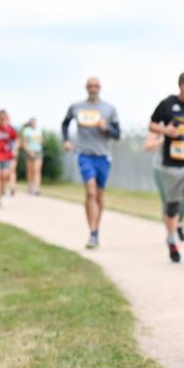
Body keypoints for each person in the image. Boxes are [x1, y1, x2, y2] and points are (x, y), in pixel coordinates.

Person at [149, 72, 184, 264]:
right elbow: (152, 125)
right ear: (179, 87)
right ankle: (172, 239)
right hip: (171, 164)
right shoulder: (167, 104)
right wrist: (166, 131)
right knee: (173, 205)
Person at [62, 76, 121, 249]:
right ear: (86, 87)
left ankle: (96, 228)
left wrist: (106, 128)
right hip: (84, 154)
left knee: (99, 195)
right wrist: (66, 140)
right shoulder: (76, 107)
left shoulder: (109, 109)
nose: (93, 89)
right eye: (90, 86)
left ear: (100, 88)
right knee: (90, 191)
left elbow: (117, 134)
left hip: (103, 156)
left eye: (96, 86)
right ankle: (92, 232)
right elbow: (65, 123)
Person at [22, 117, 44, 195]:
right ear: (30, 123)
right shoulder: (26, 131)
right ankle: (29, 187)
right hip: (30, 152)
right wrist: (29, 152)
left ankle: (37, 188)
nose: (35, 123)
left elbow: (41, 140)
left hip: (38, 151)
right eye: (33, 122)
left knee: (37, 170)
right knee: (30, 171)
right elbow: (24, 144)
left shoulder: (39, 130)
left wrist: (42, 141)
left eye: (35, 122)